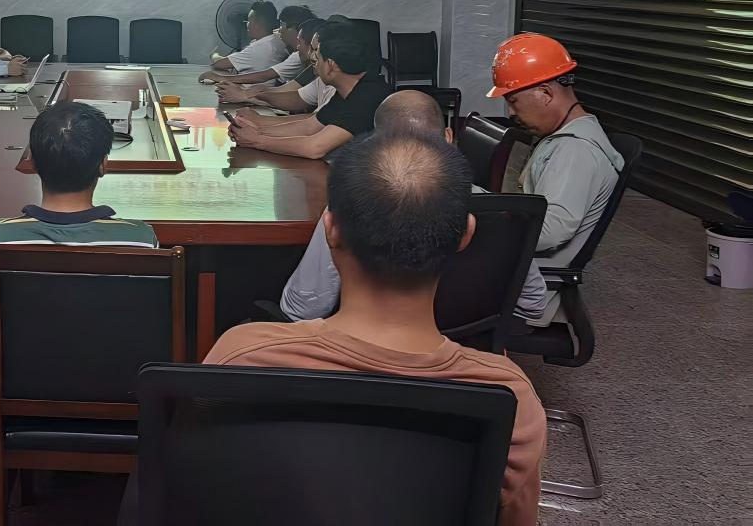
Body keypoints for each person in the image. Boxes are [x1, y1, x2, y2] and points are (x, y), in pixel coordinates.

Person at [205, 134, 546, 526]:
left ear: (330, 229)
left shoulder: (241, 357)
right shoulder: (510, 396)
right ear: (466, 234)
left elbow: (200, 489)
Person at [279, 89, 548, 323]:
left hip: (366, 349)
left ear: (377, 143)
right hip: (466, 344)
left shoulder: (349, 205)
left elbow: (304, 308)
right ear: (448, 136)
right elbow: (533, 303)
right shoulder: (499, 209)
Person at [0, 101, 159, 318]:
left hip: (28, 342)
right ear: (103, 166)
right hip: (115, 342)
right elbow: (147, 311)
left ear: (32, 163)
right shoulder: (142, 240)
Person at [488, 32, 624, 326]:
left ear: (546, 93)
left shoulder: (575, 151)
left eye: (513, 100)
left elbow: (550, 231)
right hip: (517, 273)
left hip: (525, 290)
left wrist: (481, 228)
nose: (510, 112)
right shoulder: (563, 138)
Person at [228, 18, 391, 160]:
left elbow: (315, 147)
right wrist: (256, 129)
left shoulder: (367, 97)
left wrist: (257, 140)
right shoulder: (348, 91)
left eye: (316, 52)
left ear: (330, 65)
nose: (311, 57)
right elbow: (309, 126)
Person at [214, 7, 317, 100]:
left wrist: (243, 94)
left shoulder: (299, 57)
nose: (279, 30)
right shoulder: (281, 44)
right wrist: (248, 93)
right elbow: (286, 90)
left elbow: (264, 76)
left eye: (282, 25)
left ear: (294, 29)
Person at [201, 0, 288, 80]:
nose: (246, 24)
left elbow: (219, 64)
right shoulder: (279, 39)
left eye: (249, 21)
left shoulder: (257, 49)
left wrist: (214, 55)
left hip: (249, 89)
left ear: (258, 24)